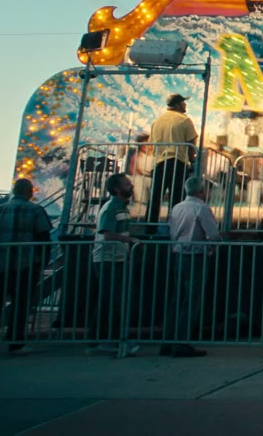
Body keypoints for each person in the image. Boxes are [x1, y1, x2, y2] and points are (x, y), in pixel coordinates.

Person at [0, 179, 51, 356]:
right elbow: (44, 237)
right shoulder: (35, 210)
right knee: (21, 304)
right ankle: (15, 343)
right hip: (25, 264)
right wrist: (42, 261)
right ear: (29, 192)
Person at [161, 177, 218, 358]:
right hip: (196, 255)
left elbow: (171, 231)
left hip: (179, 253)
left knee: (176, 299)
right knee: (191, 301)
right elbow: (213, 235)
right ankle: (182, 342)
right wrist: (212, 248)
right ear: (202, 191)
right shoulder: (201, 208)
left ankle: (168, 340)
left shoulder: (177, 207)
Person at [87, 174, 140, 356]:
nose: (131, 186)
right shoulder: (111, 208)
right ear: (117, 189)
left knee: (107, 300)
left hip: (115, 258)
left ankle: (97, 339)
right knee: (113, 301)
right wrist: (130, 240)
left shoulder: (121, 208)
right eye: (127, 184)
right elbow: (107, 234)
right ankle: (112, 340)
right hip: (107, 259)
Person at [148, 94, 198, 224]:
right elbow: (191, 144)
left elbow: (151, 143)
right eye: (183, 102)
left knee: (155, 197)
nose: (185, 105)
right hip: (177, 162)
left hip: (159, 162)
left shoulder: (157, 121)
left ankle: (149, 227)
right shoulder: (184, 120)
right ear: (177, 105)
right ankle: (174, 225)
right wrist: (193, 161)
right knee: (177, 198)